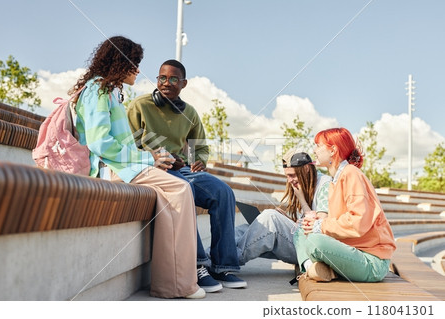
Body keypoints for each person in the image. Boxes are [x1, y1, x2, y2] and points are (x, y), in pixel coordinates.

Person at [69, 36, 204, 299]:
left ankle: (171, 283)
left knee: (172, 191)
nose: (139, 70)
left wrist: (151, 156)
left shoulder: (108, 91)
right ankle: (178, 284)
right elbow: (100, 143)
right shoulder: (97, 90)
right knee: (180, 188)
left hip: (123, 165)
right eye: (135, 63)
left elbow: (119, 143)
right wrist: (147, 160)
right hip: (110, 169)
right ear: (121, 62)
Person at [127, 59, 247, 291]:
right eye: (162, 77)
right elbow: (130, 147)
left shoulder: (189, 113)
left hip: (181, 169)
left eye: (173, 79)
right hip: (153, 169)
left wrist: (197, 162)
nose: (166, 83)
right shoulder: (139, 106)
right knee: (186, 189)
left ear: (184, 83)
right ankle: (197, 265)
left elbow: (198, 148)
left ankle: (223, 266)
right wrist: (157, 156)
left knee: (223, 192)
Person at [294, 127, 396, 282]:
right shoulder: (336, 179)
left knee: (316, 241)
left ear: (333, 150)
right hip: (351, 252)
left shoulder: (350, 174)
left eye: (318, 145)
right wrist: (314, 224)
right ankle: (311, 268)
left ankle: (321, 269)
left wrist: (320, 226)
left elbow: (358, 222)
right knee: (302, 230)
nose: (314, 150)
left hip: (371, 260)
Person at [235, 148, 331, 266]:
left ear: (306, 169)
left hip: (309, 249)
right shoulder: (304, 183)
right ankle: (209, 258)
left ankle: (226, 261)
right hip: (300, 240)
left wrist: (302, 200)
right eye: (287, 176)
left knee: (271, 217)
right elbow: (303, 226)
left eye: (292, 175)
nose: (289, 180)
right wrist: (287, 220)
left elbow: (319, 228)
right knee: (243, 230)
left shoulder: (325, 185)